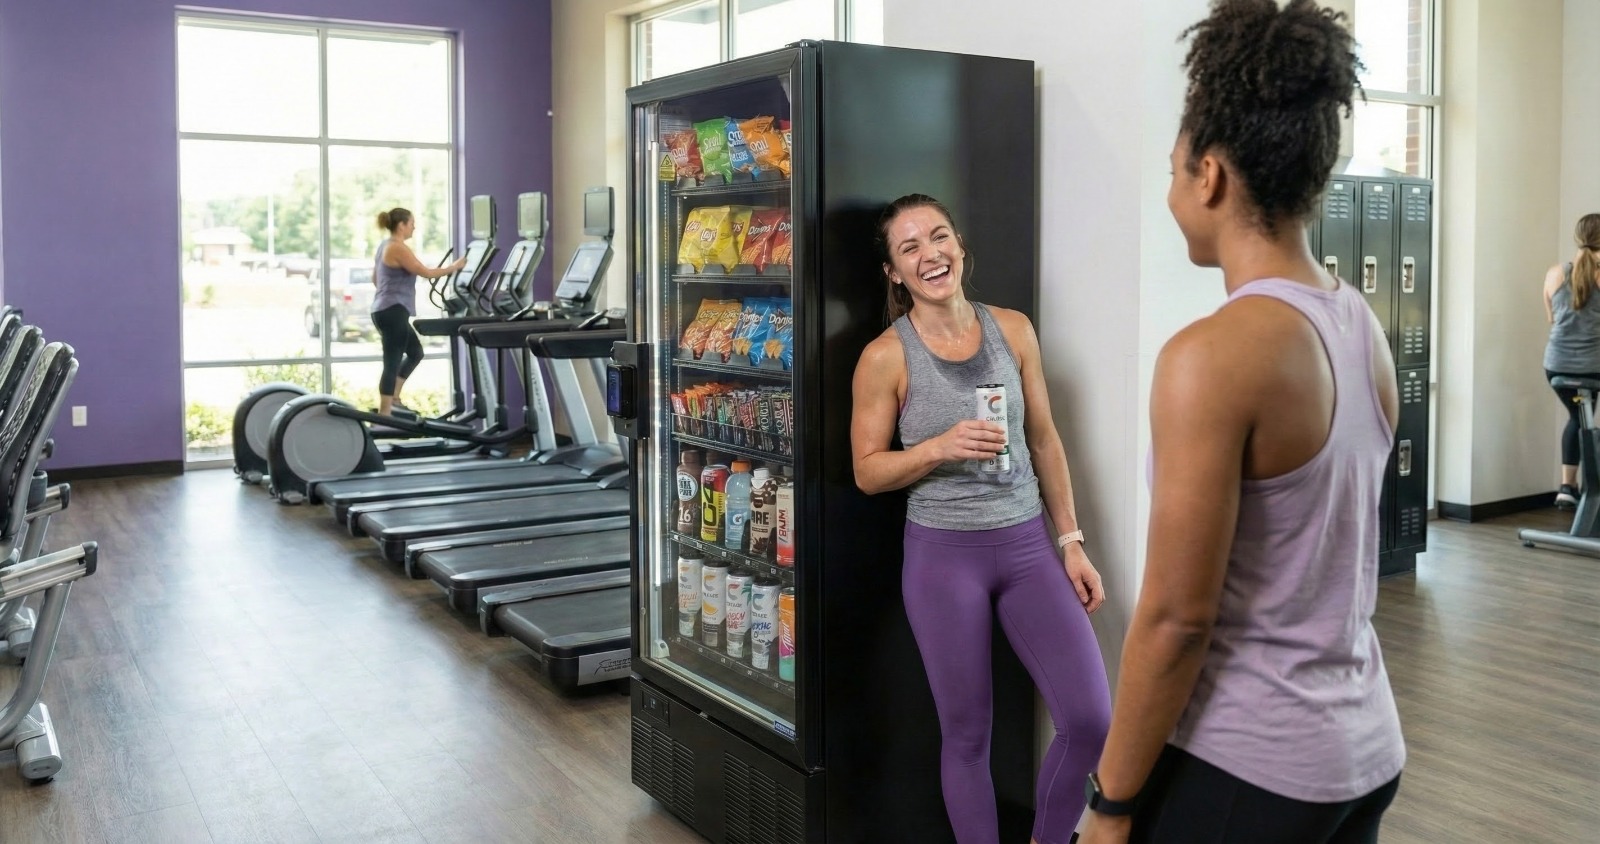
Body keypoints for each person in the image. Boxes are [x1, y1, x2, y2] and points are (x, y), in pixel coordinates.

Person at [1079, 2, 1405, 843]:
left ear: (1211, 178)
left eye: (1173, 169)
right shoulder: (1358, 324)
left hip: (1249, 764)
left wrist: (1109, 804)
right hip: (1360, 749)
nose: (1171, 191)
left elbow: (1176, 618)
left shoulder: (1211, 357)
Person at [851, 193, 1111, 844]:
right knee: (968, 736)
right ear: (894, 272)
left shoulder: (1014, 330)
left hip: (1027, 548)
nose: (929, 254)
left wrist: (1071, 542)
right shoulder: (886, 356)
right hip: (944, 559)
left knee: (1089, 718)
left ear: (960, 245)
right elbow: (865, 470)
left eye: (938, 237)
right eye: (909, 248)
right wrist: (937, 447)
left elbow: (1046, 440)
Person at [371, 207, 466, 416]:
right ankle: (384, 415)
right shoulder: (397, 247)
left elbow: (375, 279)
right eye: (412, 223)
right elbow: (427, 273)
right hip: (392, 310)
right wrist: (456, 266)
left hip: (385, 309)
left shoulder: (384, 246)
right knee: (392, 361)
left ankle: (394, 399)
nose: (414, 227)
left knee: (415, 352)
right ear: (402, 225)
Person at [1542, 213, 1600, 509]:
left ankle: (1568, 487)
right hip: (1593, 367)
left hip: (1556, 365)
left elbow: (1552, 318)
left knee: (1578, 418)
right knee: (1582, 418)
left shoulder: (1555, 273)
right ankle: (1587, 489)